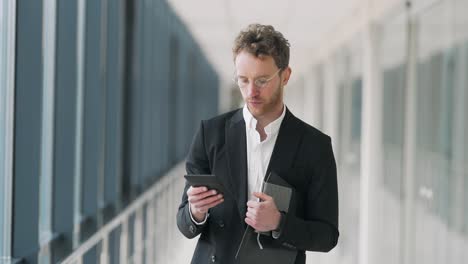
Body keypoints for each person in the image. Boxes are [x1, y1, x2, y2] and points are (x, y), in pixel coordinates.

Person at [177, 23, 339, 264]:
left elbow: (327, 236)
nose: (251, 91)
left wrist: (279, 223)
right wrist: (196, 212)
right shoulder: (210, 134)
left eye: (262, 80)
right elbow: (184, 223)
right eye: (243, 80)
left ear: (285, 75)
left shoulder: (315, 146)